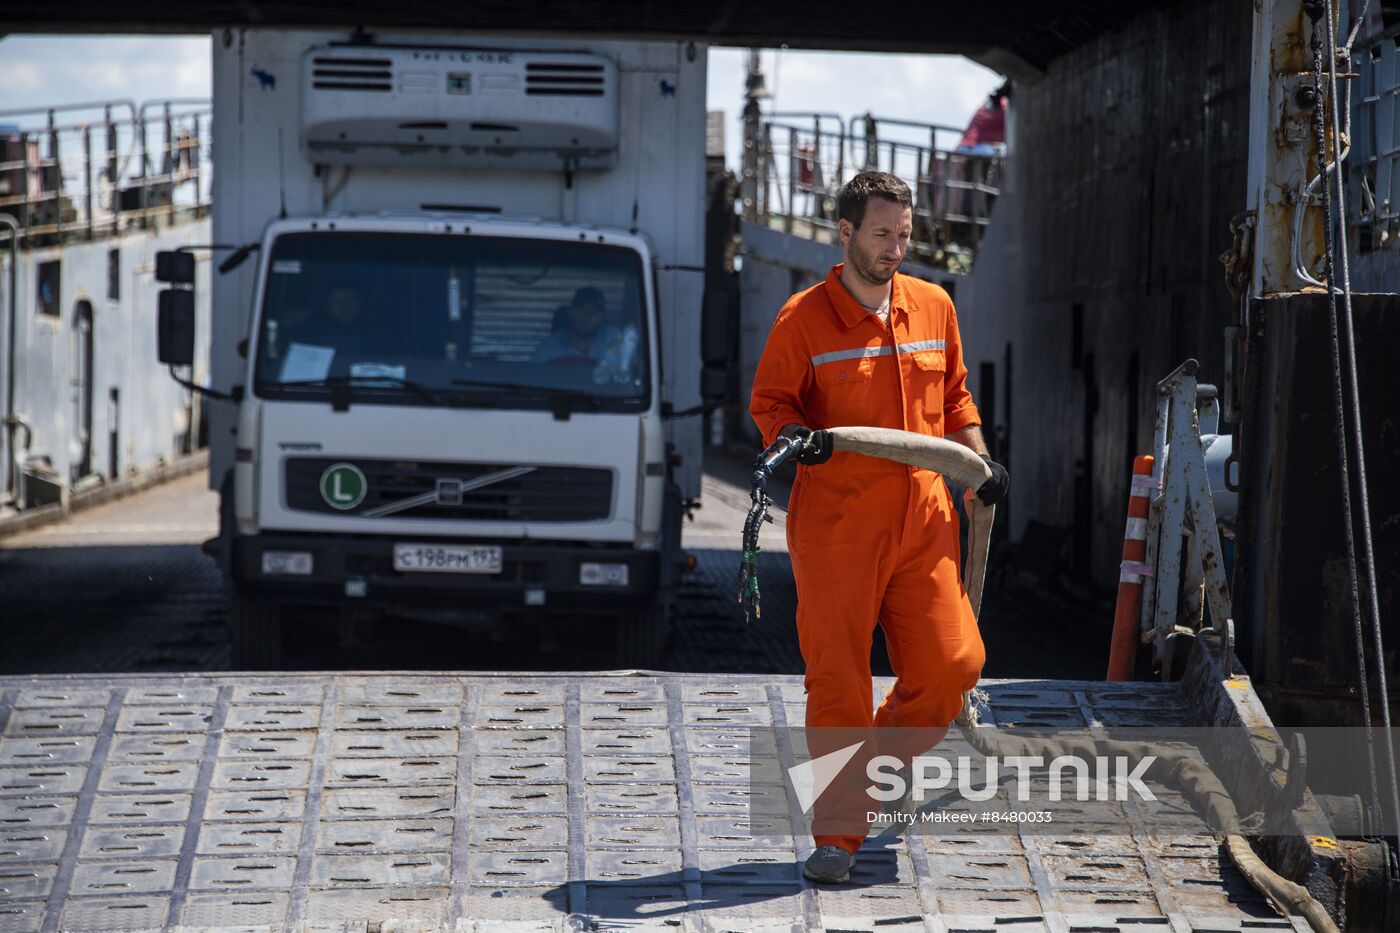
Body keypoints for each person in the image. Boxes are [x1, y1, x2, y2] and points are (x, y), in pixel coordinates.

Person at [748, 171, 1010, 884]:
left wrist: (980, 462)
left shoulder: (933, 306)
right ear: (845, 232)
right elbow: (771, 404)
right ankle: (837, 835)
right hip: (836, 527)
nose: (896, 246)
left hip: (924, 521)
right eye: (881, 233)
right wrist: (800, 435)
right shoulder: (803, 320)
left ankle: (861, 779)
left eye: (904, 232)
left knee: (952, 666)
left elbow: (955, 397)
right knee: (838, 680)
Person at [532, 287, 622, 365]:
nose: (586, 316)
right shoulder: (548, 348)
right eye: (580, 310)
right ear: (571, 312)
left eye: (593, 312)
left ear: (602, 317)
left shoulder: (613, 338)